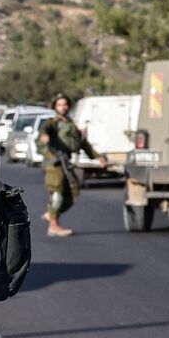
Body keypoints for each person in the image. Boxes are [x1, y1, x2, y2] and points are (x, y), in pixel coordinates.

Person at [37, 93, 106, 237]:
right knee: (57, 193)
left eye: (65, 104)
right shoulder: (52, 122)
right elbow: (45, 129)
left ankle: (52, 214)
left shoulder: (70, 123)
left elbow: (83, 144)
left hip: (66, 162)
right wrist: (45, 136)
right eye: (60, 105)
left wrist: (98, 157)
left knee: (72, 192)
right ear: (55, 106)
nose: (63, 107)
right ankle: (54, 225)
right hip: (54, 162)